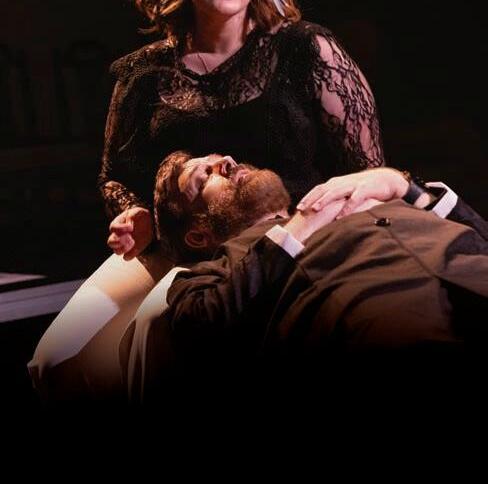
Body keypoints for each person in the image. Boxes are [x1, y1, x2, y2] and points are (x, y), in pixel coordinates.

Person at [29, 0, 386, 403]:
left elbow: (367, 172)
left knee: (161, 332)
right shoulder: (143, 72)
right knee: (57, 360)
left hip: (285, 236)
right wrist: (135, 212)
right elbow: (115, 177)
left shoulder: (306, 49)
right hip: (181, 244)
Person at [122, 151, 488, 404]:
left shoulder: (353, 192)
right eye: (204, 176)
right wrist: (301, 225)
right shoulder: (214, 272)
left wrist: (403, 186)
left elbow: (480, 238)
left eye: (220, 158)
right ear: (198, 235)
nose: (226, 162)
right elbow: (200, 322)